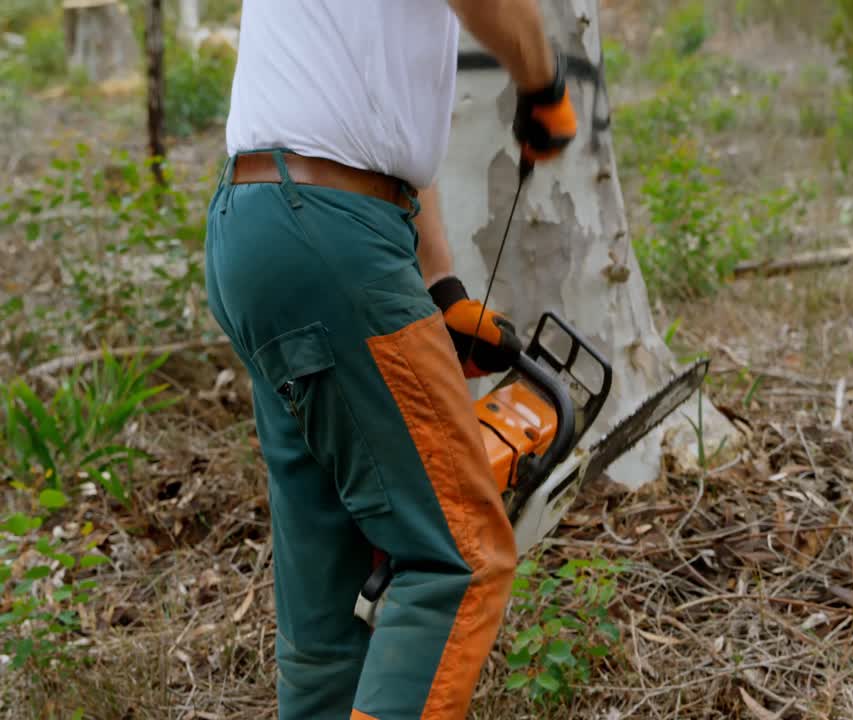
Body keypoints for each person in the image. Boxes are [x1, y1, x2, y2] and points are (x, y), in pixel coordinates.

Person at [202, 1, 578, 718]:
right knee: (457, 558)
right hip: (330, 238)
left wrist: (443, 291)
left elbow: (385, 127)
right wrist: (542, 83)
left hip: (256, 228)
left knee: (323, 613)